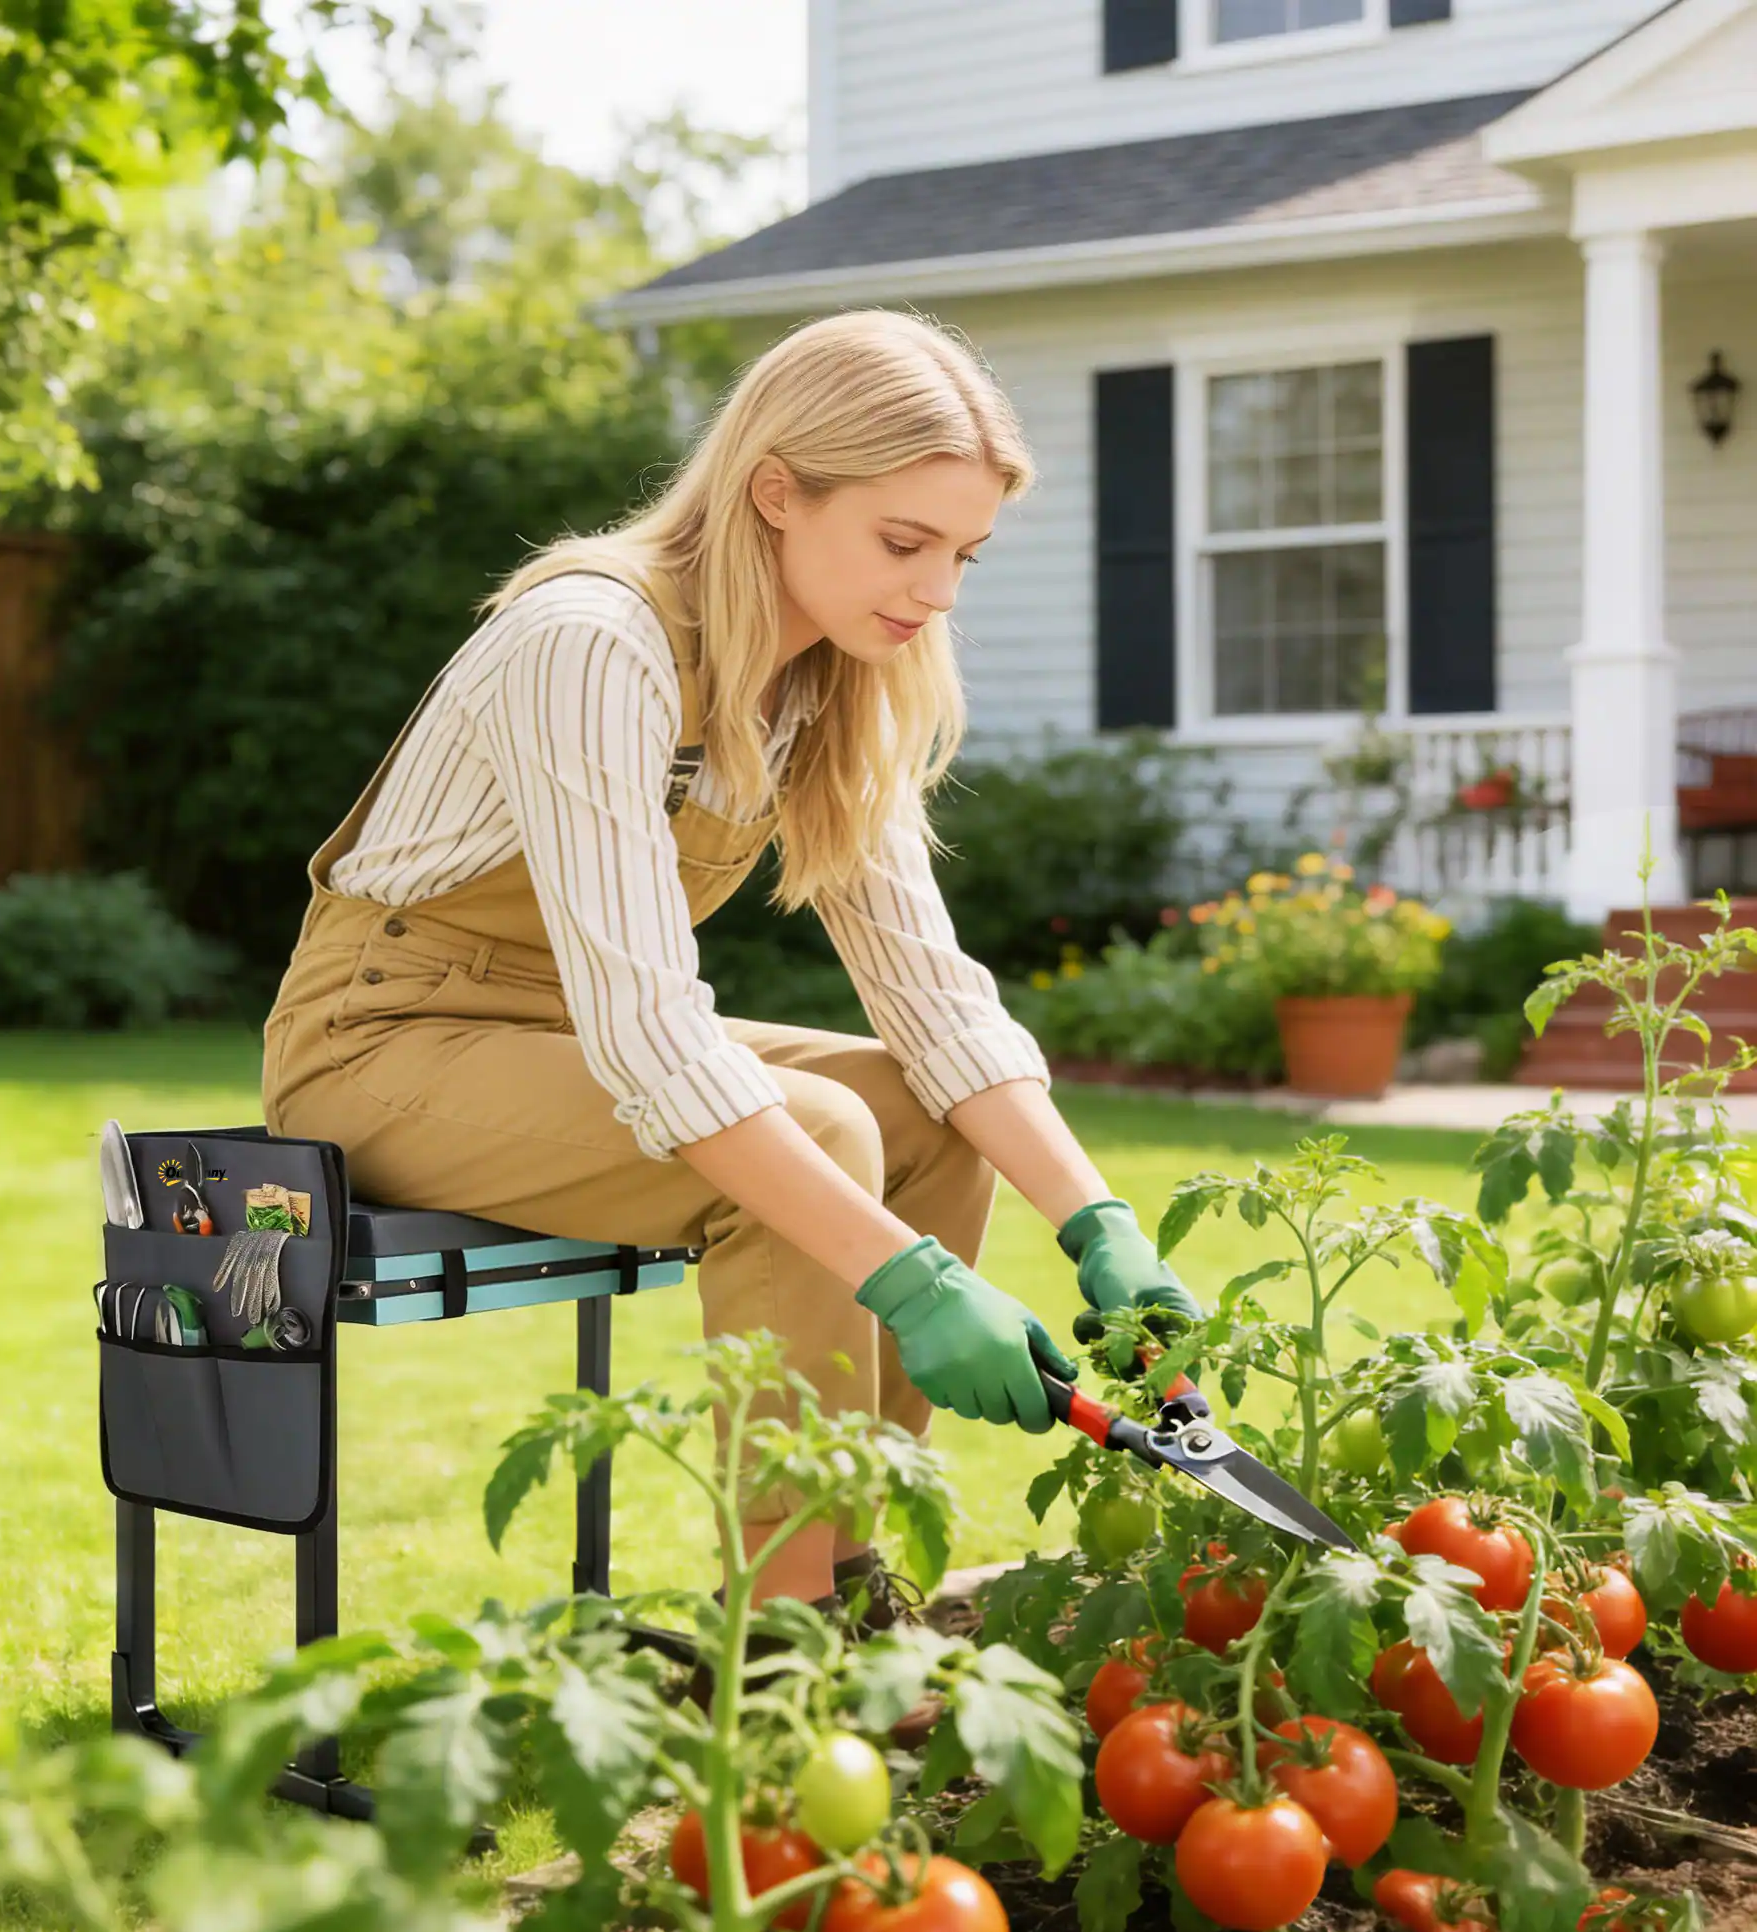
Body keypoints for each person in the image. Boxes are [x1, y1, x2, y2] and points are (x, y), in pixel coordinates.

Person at [262, 309, 1199, 1709]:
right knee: (815, 1133)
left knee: (912, 1108)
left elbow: (931, 998)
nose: (937, 590)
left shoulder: (827, 678)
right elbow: (652, 1040)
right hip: (382, 1041)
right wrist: (916, 1283)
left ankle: (846, 1577)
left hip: (557, 1037)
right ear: (777, 490)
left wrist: (1097, 1221)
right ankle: (778, 1648)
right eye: (904, 543)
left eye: (963, 554)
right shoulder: (590, 641)